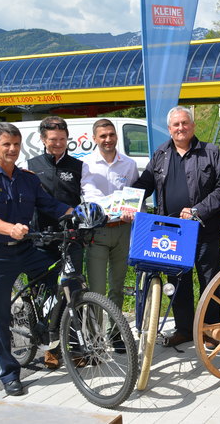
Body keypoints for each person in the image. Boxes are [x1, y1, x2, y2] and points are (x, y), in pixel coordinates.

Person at [0, 122, 71, 396]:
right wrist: (9, 228)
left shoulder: (27, 178)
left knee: (56, 275)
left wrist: (77, 213)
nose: (12, 149)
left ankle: (41, 320)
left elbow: (50, 204)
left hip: (26, 248)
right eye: (7, 144)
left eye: (16, 144)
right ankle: (9, 374)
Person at [131, 106, 220, 347]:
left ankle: (209, 330)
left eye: (185, 123)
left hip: (205, 228)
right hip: (172, 231)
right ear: (169, 129)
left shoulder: (210, 152)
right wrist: (125, 201)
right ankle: (184, 329)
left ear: (193, 126)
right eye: (176, 124)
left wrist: (199, 210)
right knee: (177, 282)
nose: (181, 128)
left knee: (209, 281)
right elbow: (145, 184)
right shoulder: (161, 154)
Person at [26, 116, 84, 370]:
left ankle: (76, 346)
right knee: (47, 295)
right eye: (52, 139)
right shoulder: (31, 166)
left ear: (67, 138)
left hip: (71, 238)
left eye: (62, 138)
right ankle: (50, 347)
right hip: (42, 239)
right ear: (43, 139)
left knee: (73, 291)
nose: (58, 143)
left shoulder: (78, 166)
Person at [81, 119, 139, 313]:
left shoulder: (129, 164)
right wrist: (111, 208)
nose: (108, 139)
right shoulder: (86, 164)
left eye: (111, 134)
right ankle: (95, 331)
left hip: (122, 229)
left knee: (117, 287)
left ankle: (115, 330)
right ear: (94, 138)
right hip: (97, 231)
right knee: (97, 290)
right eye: (103, 136)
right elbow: (90, 195)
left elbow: (135, 195)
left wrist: (133, 212)